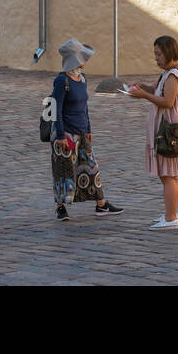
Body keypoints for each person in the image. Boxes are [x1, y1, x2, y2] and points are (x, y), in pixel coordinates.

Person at [51, 38, 123, 220]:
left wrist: (89, 128)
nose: (85, 61)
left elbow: (84, 106)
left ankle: (101, 204)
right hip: (65, 133)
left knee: (91, 168)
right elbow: (56, 108)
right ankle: (61, 208)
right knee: (65, 171)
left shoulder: (82, 79)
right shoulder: (61, 81)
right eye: (83, 57)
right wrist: (60, 134)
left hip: (82, 132)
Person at [125, 35, 178, 230]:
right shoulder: (167, 73)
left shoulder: (173, 75)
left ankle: (171, 219)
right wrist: (143, 87)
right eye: (155, 54)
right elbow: (156, 90)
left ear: (169, 52)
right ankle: (170, 214)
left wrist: (144, 95)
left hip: (169, 131)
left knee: (169, 175)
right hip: (165, 130)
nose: (156, 58)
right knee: (166, 174)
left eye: (159, 54)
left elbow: (168, 101)